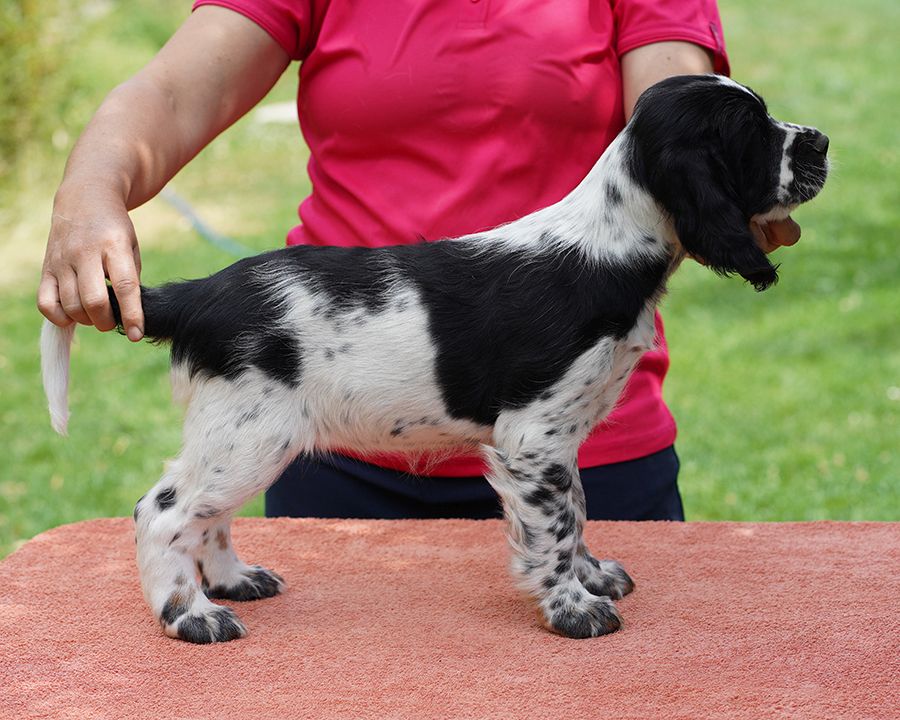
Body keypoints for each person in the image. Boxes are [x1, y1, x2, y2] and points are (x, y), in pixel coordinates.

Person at [37, 1, 801, 523]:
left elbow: (671, 110)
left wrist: (723, 188)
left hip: (583, 442)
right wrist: (90, 188)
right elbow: (172, 95)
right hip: (338, 411)